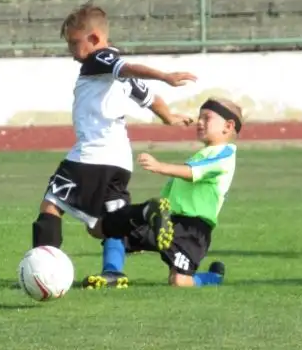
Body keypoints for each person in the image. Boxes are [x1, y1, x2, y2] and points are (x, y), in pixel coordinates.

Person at [31, 2, 195, 289]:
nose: (72, 54)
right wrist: (169, 117)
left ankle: (41, 273)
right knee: (99, 226)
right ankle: (144, 215)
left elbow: (130, 68)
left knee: (51, 205)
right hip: (119, 159)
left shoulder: (100, 59)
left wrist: (165, 76)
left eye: (73, 44)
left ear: (94, 38)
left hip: (91, 155)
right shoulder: (115, 71)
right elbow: (148, 97)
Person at [86, 97, 242, 288]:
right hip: (166, 221)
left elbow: (192, 173)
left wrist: (159, 166)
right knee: (118, 227)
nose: (199, 123)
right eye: (199, 118)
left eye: (206, 118)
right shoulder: (203, 153)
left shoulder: (224, 154)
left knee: (179, 281)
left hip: (192, 230)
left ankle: (213, 277)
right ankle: (112, 273)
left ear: (228, 125)